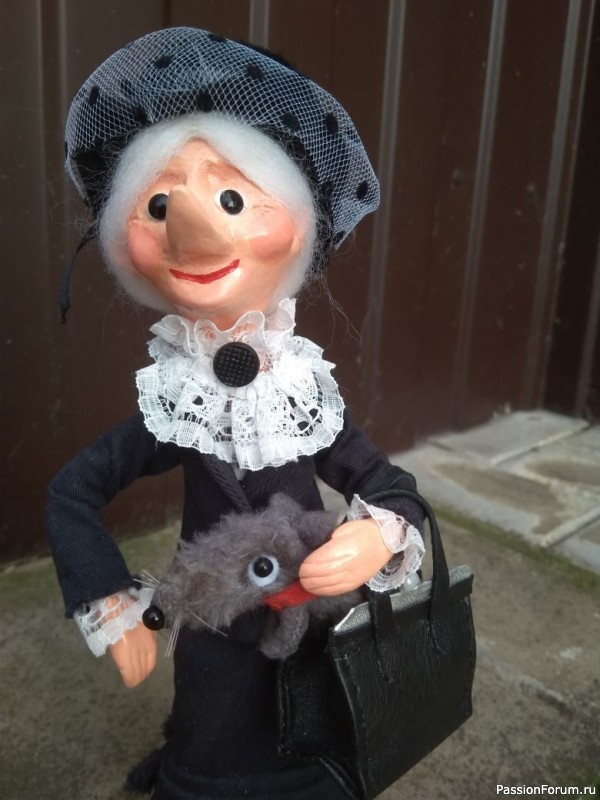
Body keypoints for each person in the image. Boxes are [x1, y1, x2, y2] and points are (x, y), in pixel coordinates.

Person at [47, 28, 425, 800]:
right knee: (210, 758)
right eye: (159, 204)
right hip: (217, 637)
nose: (194, 231)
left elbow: (388, 483)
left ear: (297, 222)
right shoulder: (177, 402)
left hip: (314, 631)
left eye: (231, 198)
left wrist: (377, 536)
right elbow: (72, 492)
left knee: (315, 748)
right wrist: (113, 602)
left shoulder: (300, 389)